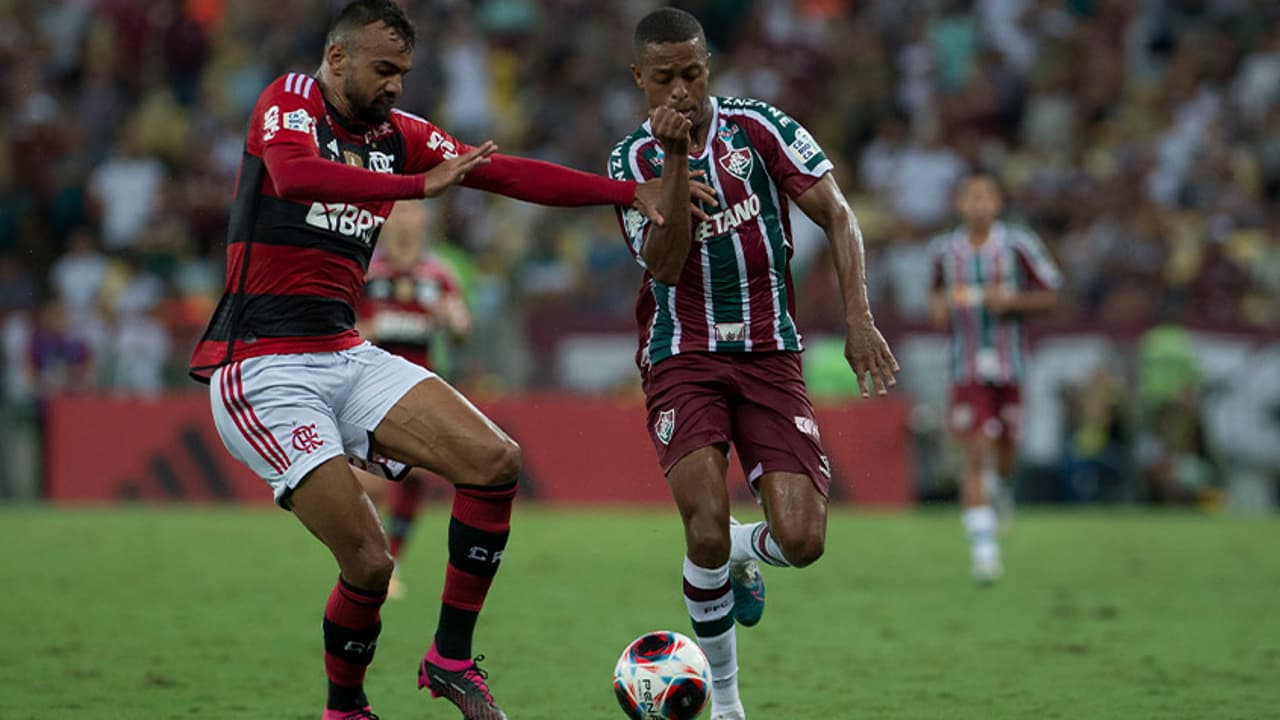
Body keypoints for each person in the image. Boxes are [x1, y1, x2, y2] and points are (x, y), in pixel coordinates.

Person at [187, 3, 708, 719]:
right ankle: (346, 709)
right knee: (370, 563)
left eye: (403, 72)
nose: (397, 86)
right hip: (263, 366)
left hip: (344, 352)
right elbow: (295, 175)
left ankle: (450, 659)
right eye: (383, 70)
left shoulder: (394, 136)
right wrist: (414, 187)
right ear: (337, 59)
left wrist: (626, 193)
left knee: (495, 461)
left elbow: (505, 174)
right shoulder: (290, 102)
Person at [607, 9, 899, 720]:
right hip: (684, 354)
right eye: (666, 78)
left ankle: (747, 547)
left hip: (771, 353)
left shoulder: (759, 127)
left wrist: (859, 319)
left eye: (694, 73)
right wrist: (676, 166)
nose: (682, 90)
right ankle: (729, 705)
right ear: (639, 79)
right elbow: (665, 266)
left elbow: (837, 213)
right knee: (701, 527)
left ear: (709, 65)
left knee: (802, 542)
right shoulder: (631, 163)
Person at [927, 172, 1062, 584]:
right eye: (972, 196)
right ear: (960, 204)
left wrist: (1013, 301)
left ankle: (1000, 492)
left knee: (1004, 458)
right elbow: (933, 301)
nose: (979, 204)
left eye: (987, 196)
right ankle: (985, 553)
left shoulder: (1018, 245)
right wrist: (942, 309)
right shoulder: (944, 252)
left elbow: (1052, 293)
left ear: (998, 203)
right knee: (975, 453)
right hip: (965, 368)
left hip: (1011, 366)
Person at [356, 200, 469, 599]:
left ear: (423, 220)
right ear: (385, 220)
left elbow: (460, 328)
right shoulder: (366, 272)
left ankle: (390, 564)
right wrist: (363, 329)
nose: (405, 220)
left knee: (416, 475)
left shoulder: (439, 275)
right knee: (367, 485)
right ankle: (366, 558)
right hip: (365, 387)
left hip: (420, 387)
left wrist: (451, 320)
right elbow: (339, 325)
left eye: (412, 212)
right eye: (398, 212)